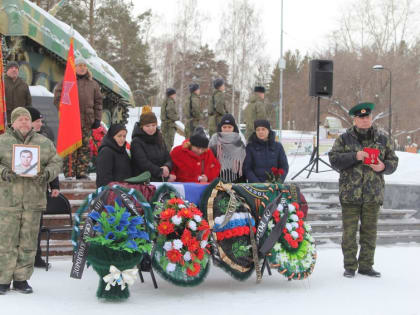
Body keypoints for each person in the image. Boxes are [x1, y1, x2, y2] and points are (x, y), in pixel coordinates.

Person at [328, 102, 398, 278]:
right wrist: (355, 156)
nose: (365, 120)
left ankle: (366, 266)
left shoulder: (383, 139)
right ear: (355, 120)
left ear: (371, 118)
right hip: (350, 194)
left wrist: (383, 166)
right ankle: (350, 266)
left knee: (370, 232)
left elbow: (393, 162)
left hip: (372, 194)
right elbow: (334, 160)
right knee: (349, 233)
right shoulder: (344, 139)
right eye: (361, 117)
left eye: (367, 117)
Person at [0, 107, 62, 295]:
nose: (25, 122)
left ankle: (21, 279)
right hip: (7, 202)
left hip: (33, 201)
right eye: (20, 120)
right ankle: (3, 279)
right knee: (6, 241)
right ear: (13, 122)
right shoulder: (2, 141)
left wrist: (47, 174)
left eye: (27, 119)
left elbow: (56, 162)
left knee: (28, 242)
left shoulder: (43, 143)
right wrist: (3, 172)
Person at [54, 57, 103, 179]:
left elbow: (98, 102)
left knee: (84, 148)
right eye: (79, 65)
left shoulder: (93, 84)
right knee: (71, 148)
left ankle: (82, 172)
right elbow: (58, 98)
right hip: (71, 121)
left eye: (84, 66)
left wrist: (97, 118)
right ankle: (69, 173)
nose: (82, 68)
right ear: (74, 68)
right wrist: (65, 112)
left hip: (87, 121)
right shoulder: (67, 82)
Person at [27, 106, 60, 268]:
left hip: (39, 189)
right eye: (37, 121)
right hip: (21, 190)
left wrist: (55, 185)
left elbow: (52, 162)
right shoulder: (18, 139)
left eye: (41, 121)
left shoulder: (44, 140)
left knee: (37, 225)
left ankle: (36, 257)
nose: (40, 124)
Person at [130, 106, 172, 182]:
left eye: (153, 125)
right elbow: (143, 163)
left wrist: (167, 166)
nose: (151, 128)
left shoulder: (159, 138)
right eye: (147, 126)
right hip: (143, 181)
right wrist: (160, 171)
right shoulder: (136, 142)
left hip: (160, 179)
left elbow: (167, 157)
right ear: (142, 126)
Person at [209, 113, 246, 182]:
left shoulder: (239, 142)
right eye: (224, 127)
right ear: (221, 127)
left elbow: (243, 163)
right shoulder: (214, 140)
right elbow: (209, 160)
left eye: (229, 127)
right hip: (218, 179)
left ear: (233, 128)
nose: (227, 129)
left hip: (236, 179)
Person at [96, 124, 132, 188]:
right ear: (112, 136)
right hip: (111, 192)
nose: (122, 139)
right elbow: (104, 177)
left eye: (124, 136)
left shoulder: (122, 150)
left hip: (124, 191)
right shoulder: (106, 151)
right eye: (119, 136)